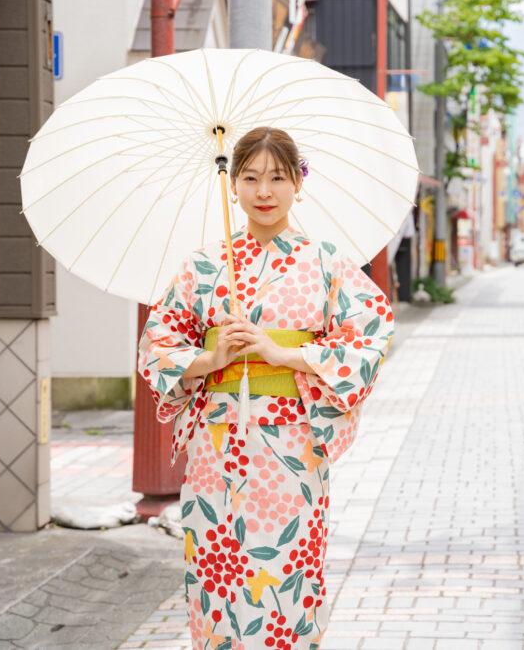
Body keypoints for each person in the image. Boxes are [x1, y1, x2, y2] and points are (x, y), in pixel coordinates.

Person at [138, 127, 394, 650]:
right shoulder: (204, 266)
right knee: (216, 564)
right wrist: (210, 358)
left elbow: (371, 331)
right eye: (250, 177)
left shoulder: (324, 260)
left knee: (287, 566)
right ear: (232, 184)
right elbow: (158, 341)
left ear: (299, 183)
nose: (263, 191)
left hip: (290, 444)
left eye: (277, 177)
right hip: (217, 443)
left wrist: (285, 355)